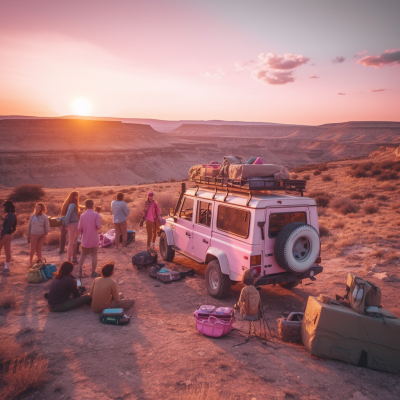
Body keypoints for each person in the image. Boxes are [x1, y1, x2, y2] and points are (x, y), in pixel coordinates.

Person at [76, 199, 101, 278]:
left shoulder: (82, 215)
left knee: (83, 255)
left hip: (85, 239)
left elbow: (79, 228)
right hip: (94, 238)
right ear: (93, 205)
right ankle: (93, 272)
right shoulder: (96, 214)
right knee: (94, 254)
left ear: (85, 205)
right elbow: (99, 227)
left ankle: (80, 273)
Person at [61, 191, 80, 263]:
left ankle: (73, 258)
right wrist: (67, 225)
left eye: (77, 195)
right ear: (72, 196)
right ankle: (69, 259)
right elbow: (67, 215)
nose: (77, 197)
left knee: (74, 242)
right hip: (73, 224)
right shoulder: (72, 205)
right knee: (71, 242)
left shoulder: (73, 204)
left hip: (75, 224)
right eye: (76, 195)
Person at [0, 200, 17, 274]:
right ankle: (6, 268)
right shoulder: (12, 215)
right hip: (9, 235)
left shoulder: (10, 215)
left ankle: (5, 268)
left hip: (6, 234)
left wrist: (2, 235)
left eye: (5, 207)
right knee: (7, 251)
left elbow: (7, 227)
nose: (4, 209)